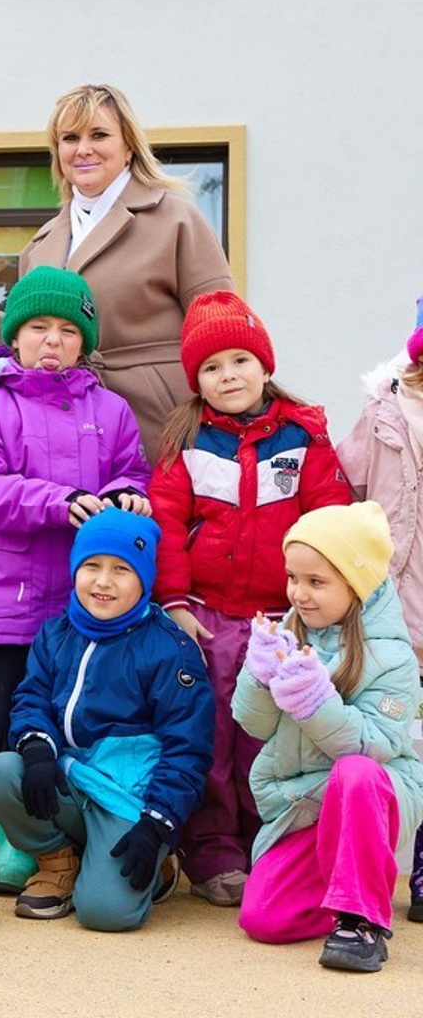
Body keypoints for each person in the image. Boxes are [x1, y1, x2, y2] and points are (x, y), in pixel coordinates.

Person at [149, 290, 352, 907]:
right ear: (197, 381)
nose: (227, 375)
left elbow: (328, 518)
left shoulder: (302, 436)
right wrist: (176, 602)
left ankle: (267, 841)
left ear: (265, 366)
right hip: (207, 616)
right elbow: (164, 519)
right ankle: (211, 847)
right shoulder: (187, 441)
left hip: (279, 618)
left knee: (271, 736)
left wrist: (309, 604)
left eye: (239, 360)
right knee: (211, 731)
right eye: (212, 368)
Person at [0, 266, 150, 891]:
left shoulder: (111, 409)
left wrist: (126, 495)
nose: (53, 340)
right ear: (15, 336)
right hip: (7, 602)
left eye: (68, 330)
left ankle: (75, 835)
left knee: (77, 720)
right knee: (4, 722)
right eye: (38, 326)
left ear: (84, 343)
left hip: (84, 606)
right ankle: (21, 840)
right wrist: (60, 501)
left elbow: (133, 475)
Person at [0, 83, 234, 460]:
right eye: (70, 138)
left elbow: (221, 327)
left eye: (100, 135)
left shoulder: (175, 217)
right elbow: (22, 344)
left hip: (164, 424)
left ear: (128, 148)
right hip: (63, 429)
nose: (84, 148)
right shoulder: (41, 246)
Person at [0, 511, 213, 930]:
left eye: (121, 569)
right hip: (71, 778)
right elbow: (32, 698)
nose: (103, 581)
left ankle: (156, 865)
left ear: (144, 578)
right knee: (0, 772)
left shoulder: (169, 650)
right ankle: (57, 861)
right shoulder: (56, 633)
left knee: (105, 914)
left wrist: (157, 825)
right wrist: (36, 750)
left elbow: (188, 748)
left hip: (128, 796)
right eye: (92, 566)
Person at [235, 502, 423, 974]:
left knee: (355, 772)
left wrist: (315, 703)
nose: (299, 593)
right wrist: (257, 676)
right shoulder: (286, 633)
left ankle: (362, 921)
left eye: (316, 582)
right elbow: (254, 726)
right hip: (304, 806)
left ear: (356, 586)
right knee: (263, 920)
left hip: (369, 801)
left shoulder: (393, 658)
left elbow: (374, 748)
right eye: (293, 577)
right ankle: (346, 886)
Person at [337, 297, 423, 915]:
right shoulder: (387, 408)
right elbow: (351, 491)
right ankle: (389, 856)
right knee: (400, 728)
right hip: (399, 596)